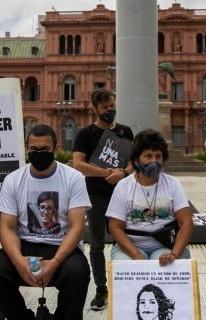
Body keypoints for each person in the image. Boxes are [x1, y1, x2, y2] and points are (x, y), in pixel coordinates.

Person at [0, 124, 91, 320]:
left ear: (56, 150)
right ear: (27, 149)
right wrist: (18, 261)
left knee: (76, 274)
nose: (39, 153)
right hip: (24, 245)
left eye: (45, 149)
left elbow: (77, 227)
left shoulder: (74, 178)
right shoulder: (13, 180)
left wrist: (56, 262)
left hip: (61, 246)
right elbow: (7, 228)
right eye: (34, 149)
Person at [72, 88, 134, 310]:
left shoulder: (126, 132)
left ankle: (123, 285)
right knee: (97, 243)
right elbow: (78, 164)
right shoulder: (85, 134)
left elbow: (134, 161)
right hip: (95, 194)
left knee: (123, 241)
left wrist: (123, 174)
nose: (110, 110)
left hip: (122, 194)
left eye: (112, 106)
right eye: (105, 107)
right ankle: (101, 289)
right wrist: (108, 173)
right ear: (95, 108)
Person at [107, 129, 194, 264]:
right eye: (148, 156)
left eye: (158, 156)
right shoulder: (123, 186)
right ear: (136, 160)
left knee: (167, 267)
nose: (154, 161)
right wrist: (136, 255)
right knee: (127, 266)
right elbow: (115, 227)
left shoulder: (173, 184)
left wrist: (173, 254)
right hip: (131, 247)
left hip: (165, 246)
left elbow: (186, 223)